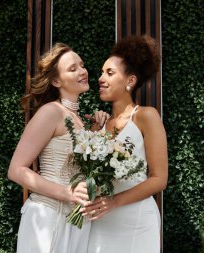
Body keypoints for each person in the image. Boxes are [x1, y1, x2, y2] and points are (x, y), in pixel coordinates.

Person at [82, 35, 168, 253]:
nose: (101, 78)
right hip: (100, 221)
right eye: (101, 72)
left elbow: (159, 179)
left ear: (130, 80)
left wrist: (115, 201)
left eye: (109, 73)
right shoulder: (98, 125)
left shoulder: (146, 116)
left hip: (136, 220)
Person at [8, 43, 92, 253]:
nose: (82, 71)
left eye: (82, 65)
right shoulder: (50, 112)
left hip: (75, 220)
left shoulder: (81, 121)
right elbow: (16, 170)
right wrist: (67, 193)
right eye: (73, 69)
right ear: (56, 80)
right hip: (47, 217)